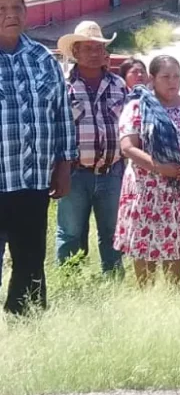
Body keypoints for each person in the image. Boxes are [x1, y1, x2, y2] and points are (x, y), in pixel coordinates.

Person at [0, 0, 76, 315]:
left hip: (32, 181)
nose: (10, 15)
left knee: (30, 260)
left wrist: (64, 167)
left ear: (26, 12)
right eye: (1, 9)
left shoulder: (44, 60)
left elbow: (62, 116)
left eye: (16, 7)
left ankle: (26, 324)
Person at [115, 56, 180, 286]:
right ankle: (146, 291)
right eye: (166, 77)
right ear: (152, 78)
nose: (173, 81)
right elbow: (128, 146)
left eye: (176, 76)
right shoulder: (138, 106)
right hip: (149, 187)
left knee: (176, 241)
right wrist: (160, 168)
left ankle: (172, 292)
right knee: (146, 241)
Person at [54, 21, 126, 276]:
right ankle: (70, 283)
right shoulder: (63, 86)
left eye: (99, 48)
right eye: (88, 48)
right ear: (75, 51)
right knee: (70, 233)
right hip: (74, 173)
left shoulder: (118, 85)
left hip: (112, 171)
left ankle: (114, 282)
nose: (95, 53)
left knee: (113, 233)